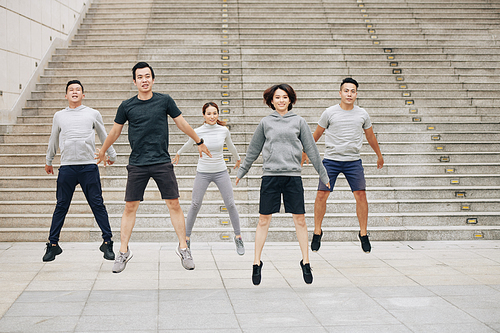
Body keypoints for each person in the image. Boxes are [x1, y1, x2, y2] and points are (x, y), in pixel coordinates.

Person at [96, 62, 211, 273]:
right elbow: (114, 132)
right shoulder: (126, 105)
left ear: (153, 79)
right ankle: (123, 251)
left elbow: (182, 123)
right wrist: (103, 150)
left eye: (147, 76)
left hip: (161, 161)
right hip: (138, 163)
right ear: (134, 81)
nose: (144, 80)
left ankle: (184, 248)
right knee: (130, 206)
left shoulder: (164, 100)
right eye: (140, 77)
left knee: (174, 203)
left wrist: (199, 140)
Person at [235, 84, 330, 285]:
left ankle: (305, 261)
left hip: (292, 177)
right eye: (277, 97)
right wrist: (243, 170)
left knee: (300, 220)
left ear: (290, 100)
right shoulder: (265, 123)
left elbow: (311, 149)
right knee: (263, 220)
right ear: (271, 100)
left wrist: (323, 174)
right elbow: (254, 149)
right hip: (270, 177)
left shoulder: (299, 121)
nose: (281, 100)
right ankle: (256, 262)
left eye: (284, 97)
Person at [302, 77, 384, 253]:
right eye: (346, 90)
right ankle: (317, 231)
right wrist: (304, 152)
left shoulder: (362, 114)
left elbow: (370, 136)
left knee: (361, 195)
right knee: (321, 195)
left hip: (353, 161)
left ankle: (363, 233)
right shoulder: (329, 113)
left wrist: (379, 155)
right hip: (331, 160)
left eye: (352, 91)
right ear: (340, 93)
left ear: (356, 94)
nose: (349, 94)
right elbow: (315, 135)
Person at [43, 80, 117, 262]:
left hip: (88, 166)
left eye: (78, 90)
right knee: (61, 205)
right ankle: (53, 245)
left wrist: (111, 154)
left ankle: (107, 242)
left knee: (97, 204)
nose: (74, 92)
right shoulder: (59, 116)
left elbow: (103, 134)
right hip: (67, 167)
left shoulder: (93, 113)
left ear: (83, 95)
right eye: (71, 90)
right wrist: (48, 160)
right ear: (66, 95)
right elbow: (54, 138)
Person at [173, 102, 245, 255]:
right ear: (204, 115)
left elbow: (230, 146)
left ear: (218, 115)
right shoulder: (197, 131)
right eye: (209, 113)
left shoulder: (223, 130)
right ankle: (186, 239)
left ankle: (238, 237)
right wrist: (179, 152)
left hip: (221, 171)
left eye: (215, 113)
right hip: (203, 172)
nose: (212, 116)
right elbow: (188, 143)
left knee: (230, 203)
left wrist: (238, 158)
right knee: (195, 204)